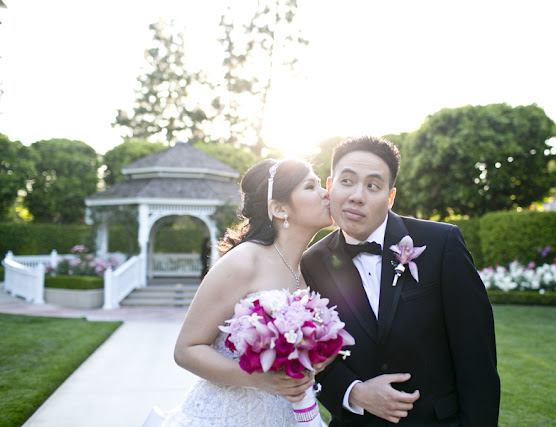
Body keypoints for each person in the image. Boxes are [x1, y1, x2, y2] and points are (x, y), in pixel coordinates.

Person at [301, 136, 500, 426]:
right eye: (347, 181)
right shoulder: (312, 262)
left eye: (372, 185)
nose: (357, 195)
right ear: (330, 187)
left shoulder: (441, 243)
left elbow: (477, 359)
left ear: (390, 196)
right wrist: (353, 393)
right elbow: (315, 355)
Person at [144, 158, 333, 426]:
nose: (327, 191)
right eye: (310, 186)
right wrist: (260, 379)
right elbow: (186, 349)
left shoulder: (307, 269)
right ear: (279, 208)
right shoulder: (244, 261)